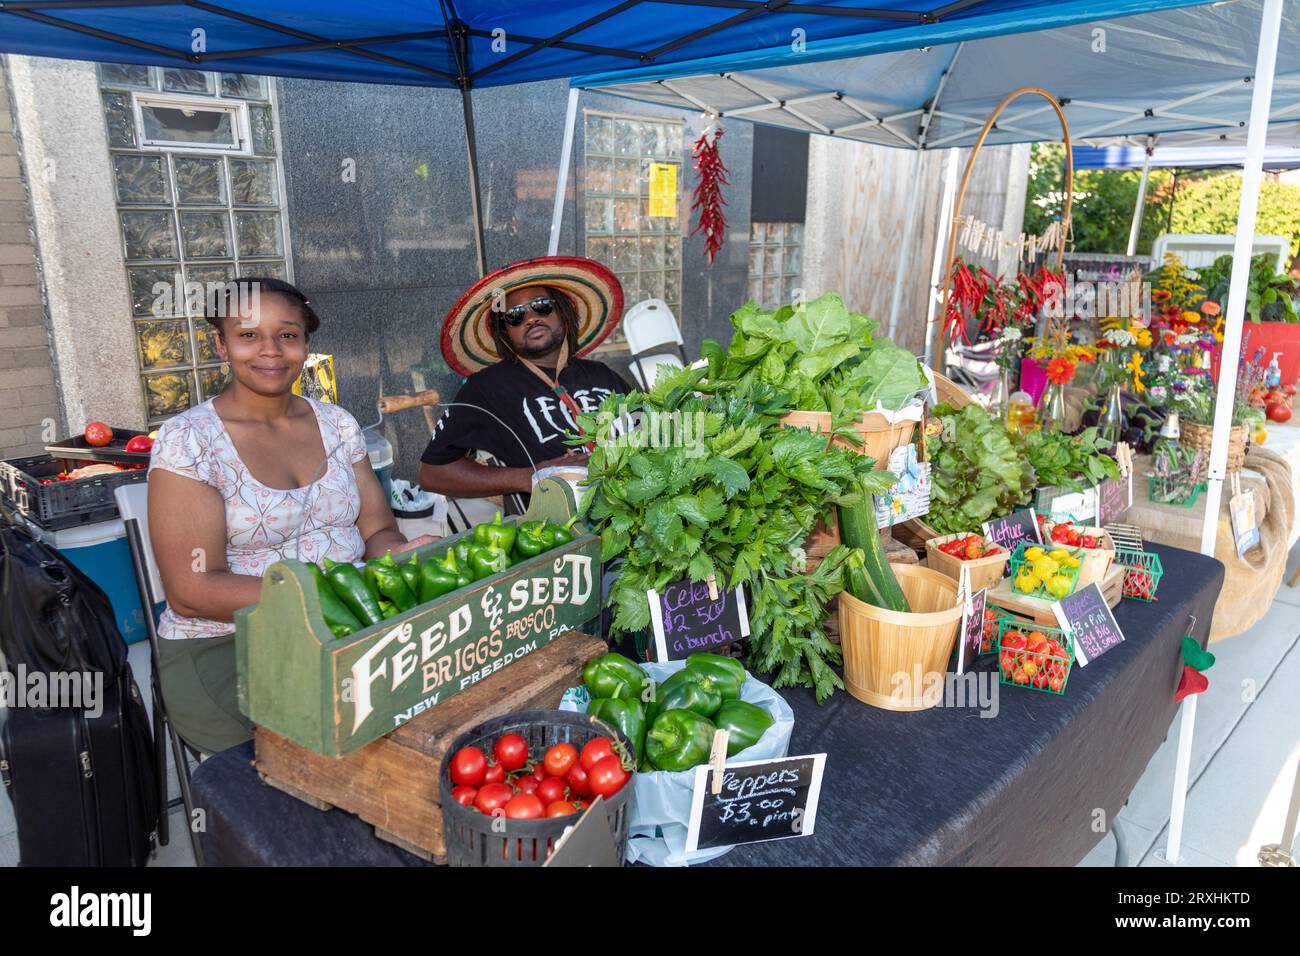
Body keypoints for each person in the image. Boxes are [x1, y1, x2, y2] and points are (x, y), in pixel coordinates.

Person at [147, 277, 437, 755]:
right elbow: (194, 591)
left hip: (347, 632)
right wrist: (336, 594)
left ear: (305, 344)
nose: (270, 351)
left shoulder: (337, 425)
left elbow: (378, 530)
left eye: (287, 335)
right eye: (247, 336)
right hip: (232, 648)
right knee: (314, 767)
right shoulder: (189, 442)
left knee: (419, 736)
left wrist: (399, 557)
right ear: (222, 344)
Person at [419, 256, 633, 504]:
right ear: (505, 332)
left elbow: (649, 430)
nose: (530, 318)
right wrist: (530, 477)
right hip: (559, 533)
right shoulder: (487, 389)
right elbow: (432, 473)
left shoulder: (602, 374)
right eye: (515, 316)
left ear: (563, 313)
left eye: (542, 306)